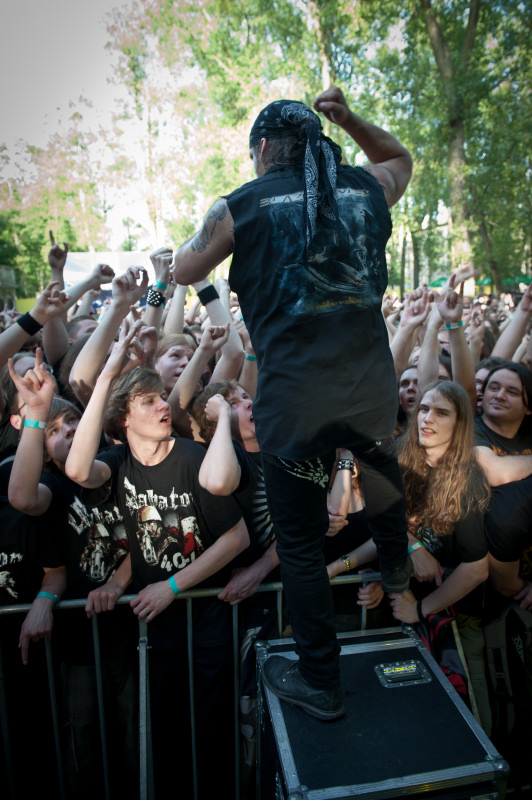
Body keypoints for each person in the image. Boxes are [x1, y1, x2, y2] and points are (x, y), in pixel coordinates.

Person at [171, 86, 412, 720]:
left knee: (301, 545)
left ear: (261, 150)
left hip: (294, 406)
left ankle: (322, 683)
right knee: (380, 467)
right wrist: (351, 117)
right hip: (369, 392)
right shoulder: (363, 189)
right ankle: (395, 571)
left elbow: (184, 269)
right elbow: (401, 160)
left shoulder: (242, 205)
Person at [65, 320, 250, 798]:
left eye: (160, 398)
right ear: (123, 419)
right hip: (153, 632)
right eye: (148, 402)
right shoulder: (120, 465)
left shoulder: (191, 457)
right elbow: (77, 468)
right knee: (164, 743)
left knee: (210, 740)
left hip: (205, 625)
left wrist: (171, 588)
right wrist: (106, 377)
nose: (162, 405)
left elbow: (235, 539)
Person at [389, 380, 491, 730]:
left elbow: (476, 570)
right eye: (425, 409)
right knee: (411, 724)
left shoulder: (467, 480)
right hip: (404, 616)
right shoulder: (401, 459)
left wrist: (419, 609)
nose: (427, 418)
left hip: (455, 624)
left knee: (468, 727)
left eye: (441, 412)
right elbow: (379, 515)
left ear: (459, 424)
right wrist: (413, 546)